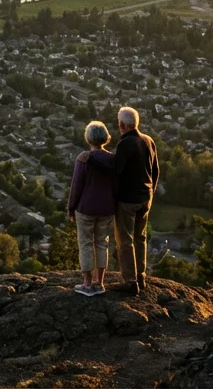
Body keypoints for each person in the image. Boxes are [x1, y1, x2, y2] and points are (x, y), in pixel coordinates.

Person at [85, 106, 160, 294]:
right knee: (140, 237)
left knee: (124, 241)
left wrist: (93, 161)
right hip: (146, 198)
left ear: (122, 124)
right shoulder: (148, 140)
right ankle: (141, 277)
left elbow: (115, 171)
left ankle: (130, 282)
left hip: (128, 200)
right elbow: (156, 171)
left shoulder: (126, 144)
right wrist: (151, 192)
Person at [68, 121, 117, 296]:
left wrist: (71, 208)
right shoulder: (113, 159)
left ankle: (87, 284)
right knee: (102, 244)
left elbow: (76, 186)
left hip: (85, 208)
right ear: (105, 138)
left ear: (88, 138)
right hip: (107, 209)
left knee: (86, 244)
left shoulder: (83, 158)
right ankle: (100, 282)